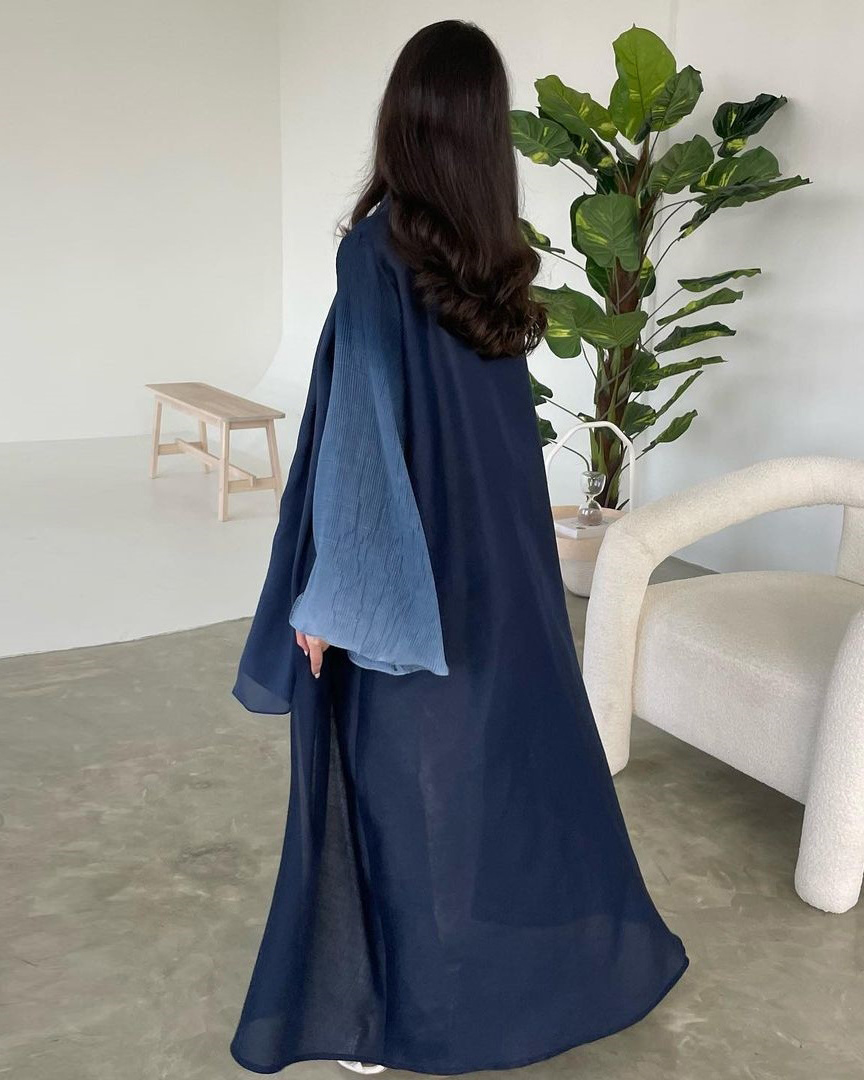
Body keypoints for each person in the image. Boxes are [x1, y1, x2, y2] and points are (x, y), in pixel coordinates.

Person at [229, 19, 688, 1076]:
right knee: (493, 767)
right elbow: (488, 442)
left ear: (403, 118)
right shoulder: (493, 260)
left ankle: (386, 1013)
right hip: (503, 569)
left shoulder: (377, 250)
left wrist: (330, 599)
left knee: (393, 784)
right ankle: (518, 961)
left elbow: (360, 438)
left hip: (405, 575)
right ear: (485, 133)